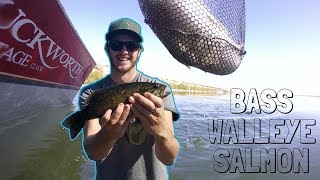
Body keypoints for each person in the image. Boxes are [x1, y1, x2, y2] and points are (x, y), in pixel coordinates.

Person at [79, 18, 180, 180]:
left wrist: (161, 131)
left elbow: (169, 159)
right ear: (107, 49)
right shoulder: (91, 92)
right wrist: (109, 134)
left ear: (139, 51)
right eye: (117, 45)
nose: (124, 51)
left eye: (132, 46)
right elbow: (93, 153)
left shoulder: (161, 90)